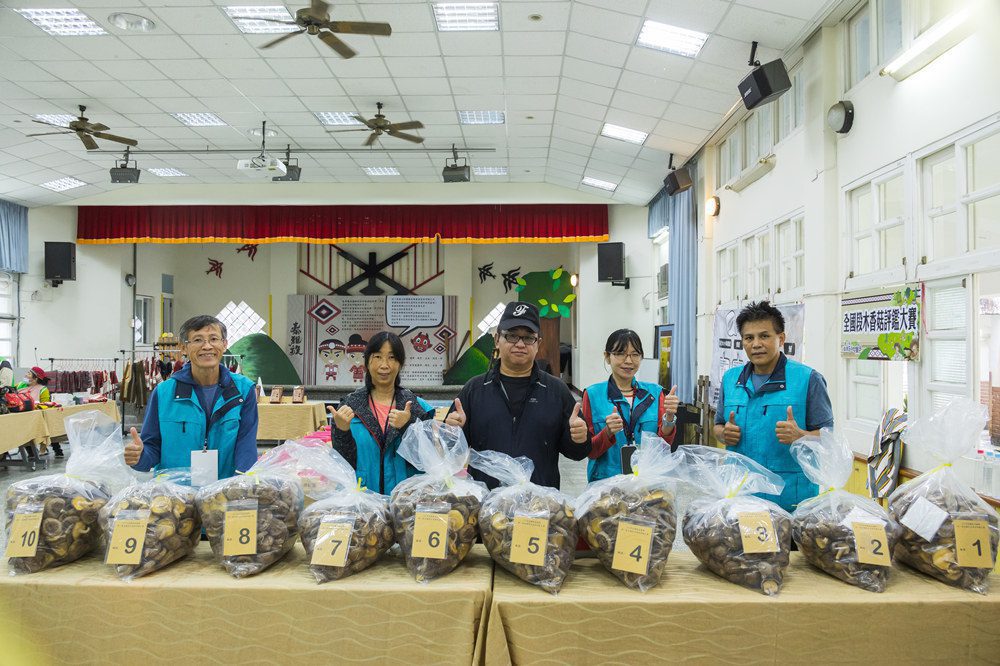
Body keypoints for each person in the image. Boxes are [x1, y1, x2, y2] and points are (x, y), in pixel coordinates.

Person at [445, 301, 591, 489]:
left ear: (538, 343)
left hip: (538, 507)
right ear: (497, 339)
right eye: (512, 336)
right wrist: (452, 432)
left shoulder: (556, 391)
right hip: (486, 505)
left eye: (528, 337)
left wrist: (579, 438)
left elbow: (577, 453)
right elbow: (451, 453)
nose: (520, 344)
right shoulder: (475, 389)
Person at [713, 301, 834, 512]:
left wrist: (801, 436)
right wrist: (725, 434)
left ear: (781, 338)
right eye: (749, 338)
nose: (756, 344)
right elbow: (717, 426)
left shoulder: (808, 379)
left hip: (791, 501)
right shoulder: (731, 379)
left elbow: (828, 437)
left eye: (764, 336)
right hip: (741, 496)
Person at [124, 315, 258, 479]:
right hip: (175, 495)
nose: (207, 346)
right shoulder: (163, 393)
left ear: (224, 345)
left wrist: (240, 487)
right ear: (184, 348)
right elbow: (152, 449)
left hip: (224, 493)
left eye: (214, 339)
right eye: (197, 340)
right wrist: (139, 457)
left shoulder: (243, 390)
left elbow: (246, 446)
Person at [329, 331, 435, 494]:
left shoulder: (417, 408)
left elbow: (426, 462)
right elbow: (343, 463)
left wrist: (407, 428)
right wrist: (342, 431)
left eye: (392, 357)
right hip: (364, 502)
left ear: (400, 363)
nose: (384, 365)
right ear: (367, 362)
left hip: (404, 502)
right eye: (377, 357)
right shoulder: (349, 407)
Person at [581, 329, 679, 481]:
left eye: (635, 354)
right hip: (606, 484)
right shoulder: (593, 395)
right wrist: (607, 432)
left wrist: (670, 418)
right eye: (620, 353)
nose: (628, 361)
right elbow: (590, 451)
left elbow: (663, 446)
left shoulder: (655, 393)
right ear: (607, 357)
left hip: (646, 484)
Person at [19, 367, 62, 457]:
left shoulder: (43, 390)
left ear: (36, 378)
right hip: (24, 416)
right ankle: (31, 453)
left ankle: (57, 449)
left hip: (39, 417)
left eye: (29, 374)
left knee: (48, 428)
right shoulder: (20, 386)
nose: (26, 375)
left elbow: (45, 405)